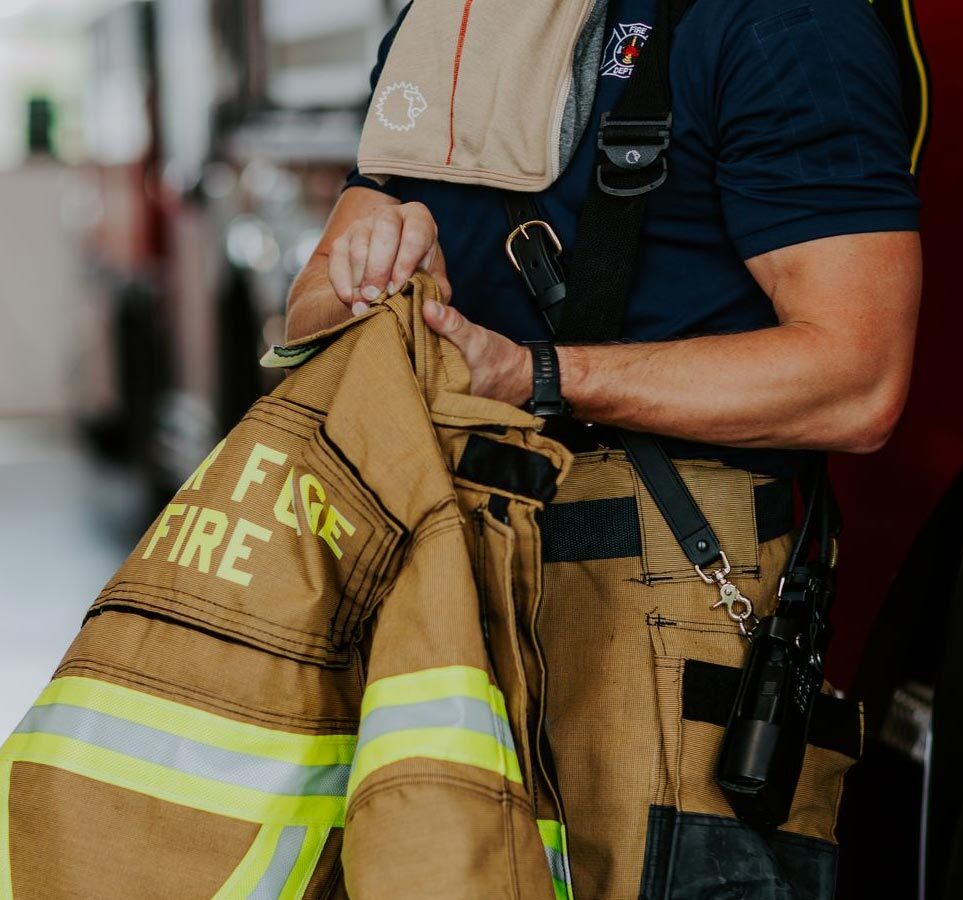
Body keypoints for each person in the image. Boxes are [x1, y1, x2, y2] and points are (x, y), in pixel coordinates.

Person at [285, 0, 922, 896]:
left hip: (657, 603)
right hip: (437, 596)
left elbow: (858, 378)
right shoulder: (449, 27)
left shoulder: (783, 24)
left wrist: (534, 372)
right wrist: (371, 279)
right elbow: (307, 312)